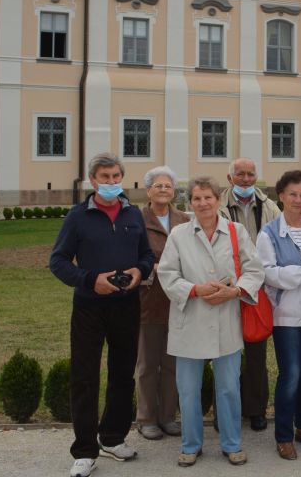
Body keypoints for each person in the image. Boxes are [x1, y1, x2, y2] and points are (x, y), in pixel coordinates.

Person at [49, 152, 155, 477]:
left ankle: (112, 436)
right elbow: (59, 261)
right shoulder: (78, 217)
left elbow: (147, 255)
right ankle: (84, 450)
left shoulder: (132, 213)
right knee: (84, 378)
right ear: (92, 181)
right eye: (104, 177)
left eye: (115, 177)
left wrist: (140, 271)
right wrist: (90, 280)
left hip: (126, 305)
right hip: (89, 308)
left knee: (123, 374)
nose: (110, 183)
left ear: (122, 178)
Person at [158, 175, 264, 467]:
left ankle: (232, 444)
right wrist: (194, 290)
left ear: (218, 200)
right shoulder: (179, 234)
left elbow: (255, 270)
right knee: (189, 390)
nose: (203, 203)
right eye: (197, 198)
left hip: (224, 320)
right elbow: (167, 274)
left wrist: (235, 291)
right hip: (189, 320)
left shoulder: (235, 231)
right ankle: (191, 445)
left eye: (208, 197)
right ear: (189, 202)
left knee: (229, 387)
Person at [255, 170, 301, 460]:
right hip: (286, 315)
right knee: (292, 374)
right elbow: (268, 274)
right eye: (293, 194)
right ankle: (283, 435)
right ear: (281, 196)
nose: (298, 200)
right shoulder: (269, 233)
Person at [220, 157, 281, 432]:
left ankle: (255, 409)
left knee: (255, 352)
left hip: (257, 289)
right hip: (226, 287)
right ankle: (226, 412)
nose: (246, 179)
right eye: (240, 174)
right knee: (224, 353)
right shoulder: (218, 206)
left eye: (250, 174)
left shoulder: (269, 207)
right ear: (230, 177)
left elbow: (281, 238)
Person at [134, 166, 190, 441]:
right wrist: (159, 269)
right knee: (147, 364)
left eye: (168, 186)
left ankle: (168, 416)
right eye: (158, 185)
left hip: (179, 304)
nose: (164, 190)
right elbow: (131, 258)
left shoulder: (183, 219)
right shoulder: (136, 219)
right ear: (148, 190)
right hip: (149, 301)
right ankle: (146, 418)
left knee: (172, 365)